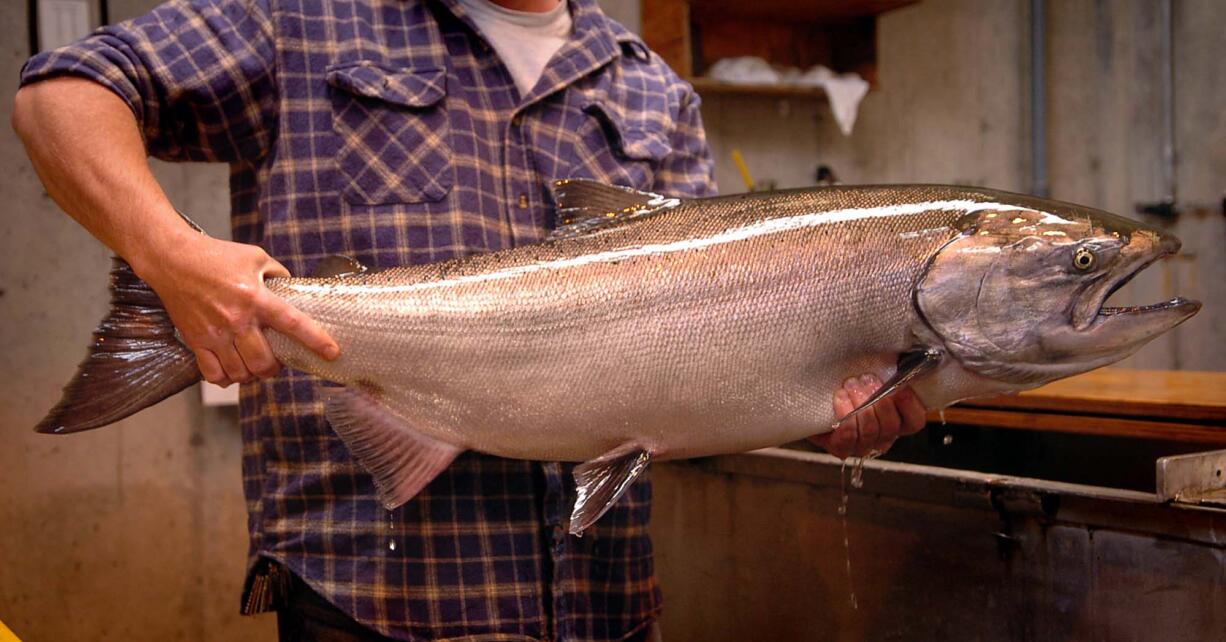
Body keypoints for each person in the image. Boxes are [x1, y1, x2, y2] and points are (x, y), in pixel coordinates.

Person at [12, 0, 927, 639]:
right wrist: (171, 259)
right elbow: (61, 93)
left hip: (606, 606)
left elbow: (690, 377)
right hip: (373, 600)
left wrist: (829, 406)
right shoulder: (297, 20)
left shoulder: (653, 89)